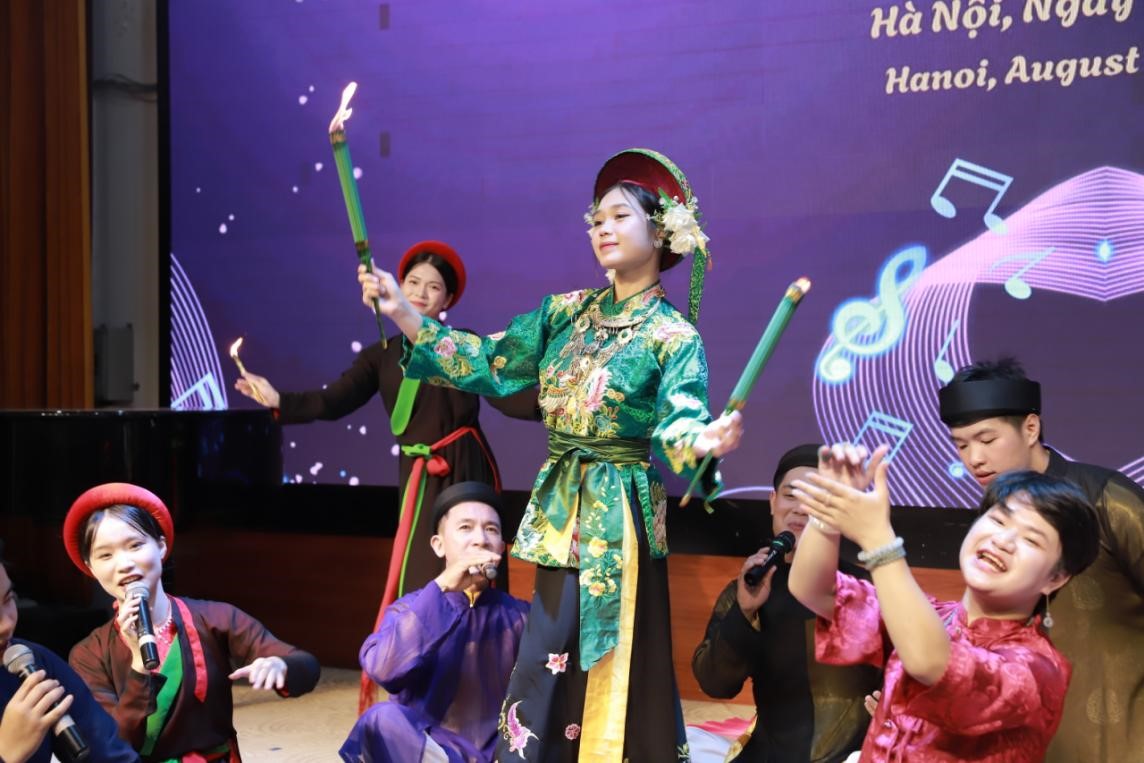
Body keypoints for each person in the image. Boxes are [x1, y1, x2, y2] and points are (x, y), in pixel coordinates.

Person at [360, 148, 743, 761]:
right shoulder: (565, 313)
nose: (603, 228)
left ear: (660, 232)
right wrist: (404, 311)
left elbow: (682, 416)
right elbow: (488, 360)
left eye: (619, 217)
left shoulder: (673, 335)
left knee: (615, 653)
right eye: (596, 219)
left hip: (619, 516)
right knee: (547, 652)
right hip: (562, 507)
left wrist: (700, 440)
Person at [236, 241, 538, 600]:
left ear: (447, 299)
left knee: (473, 561)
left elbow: (504, 392)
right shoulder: (380, 356)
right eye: (413, 282)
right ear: (399, 287)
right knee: (422, 568)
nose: (421, 293)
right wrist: (279, 400)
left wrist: (556, 402)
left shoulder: (460, 345)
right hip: (416, 474)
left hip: (464, 468)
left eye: (433, 286)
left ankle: (482, 635)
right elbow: (334, 400)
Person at [788, 444, 1101, 761]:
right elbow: (816, 590)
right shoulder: (933, 616)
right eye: (999, 521)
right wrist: (828, 512)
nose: (1003, 541)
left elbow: (932, 663)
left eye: (1031, 539)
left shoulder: (1037, 670)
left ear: (1055, 579)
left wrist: (880, 542)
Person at [939, 358, 1144, 761]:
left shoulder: (1106, 499)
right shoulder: (990, 522)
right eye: (961, 445)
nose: (974, 458)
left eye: (987, 439)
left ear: (1031, 428)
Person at [63, 483, 321, 762]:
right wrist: (139, 664)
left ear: (161, 546)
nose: (124, 564)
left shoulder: (215, 618)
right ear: (90, 567)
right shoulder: (88, 654)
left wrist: (280, 665)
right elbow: (112, 744)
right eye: (106, 555)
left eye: (135, 545)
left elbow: (306, 665)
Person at [690, 444, 880, 762]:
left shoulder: (864, 589)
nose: (800, 509)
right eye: (791, 496)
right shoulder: (749, 586)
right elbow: (715, 684)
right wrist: (744, 610)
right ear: (773, 502)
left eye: (815, 498)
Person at [339, 481, 530, 762]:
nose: (480, 539)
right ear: (439, 545)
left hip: (499, 753)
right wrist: (442, 587)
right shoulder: (408, 608)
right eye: (465, 527)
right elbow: (384, 670)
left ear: (501, 547)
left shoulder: (522, 615)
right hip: (429, 749)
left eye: (491, 529)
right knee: (381, 719)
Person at [0, 551, 138, 763]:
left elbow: (110, 753)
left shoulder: (33, 661)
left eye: (8, 599)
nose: (7, 624)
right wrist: (7, 755)